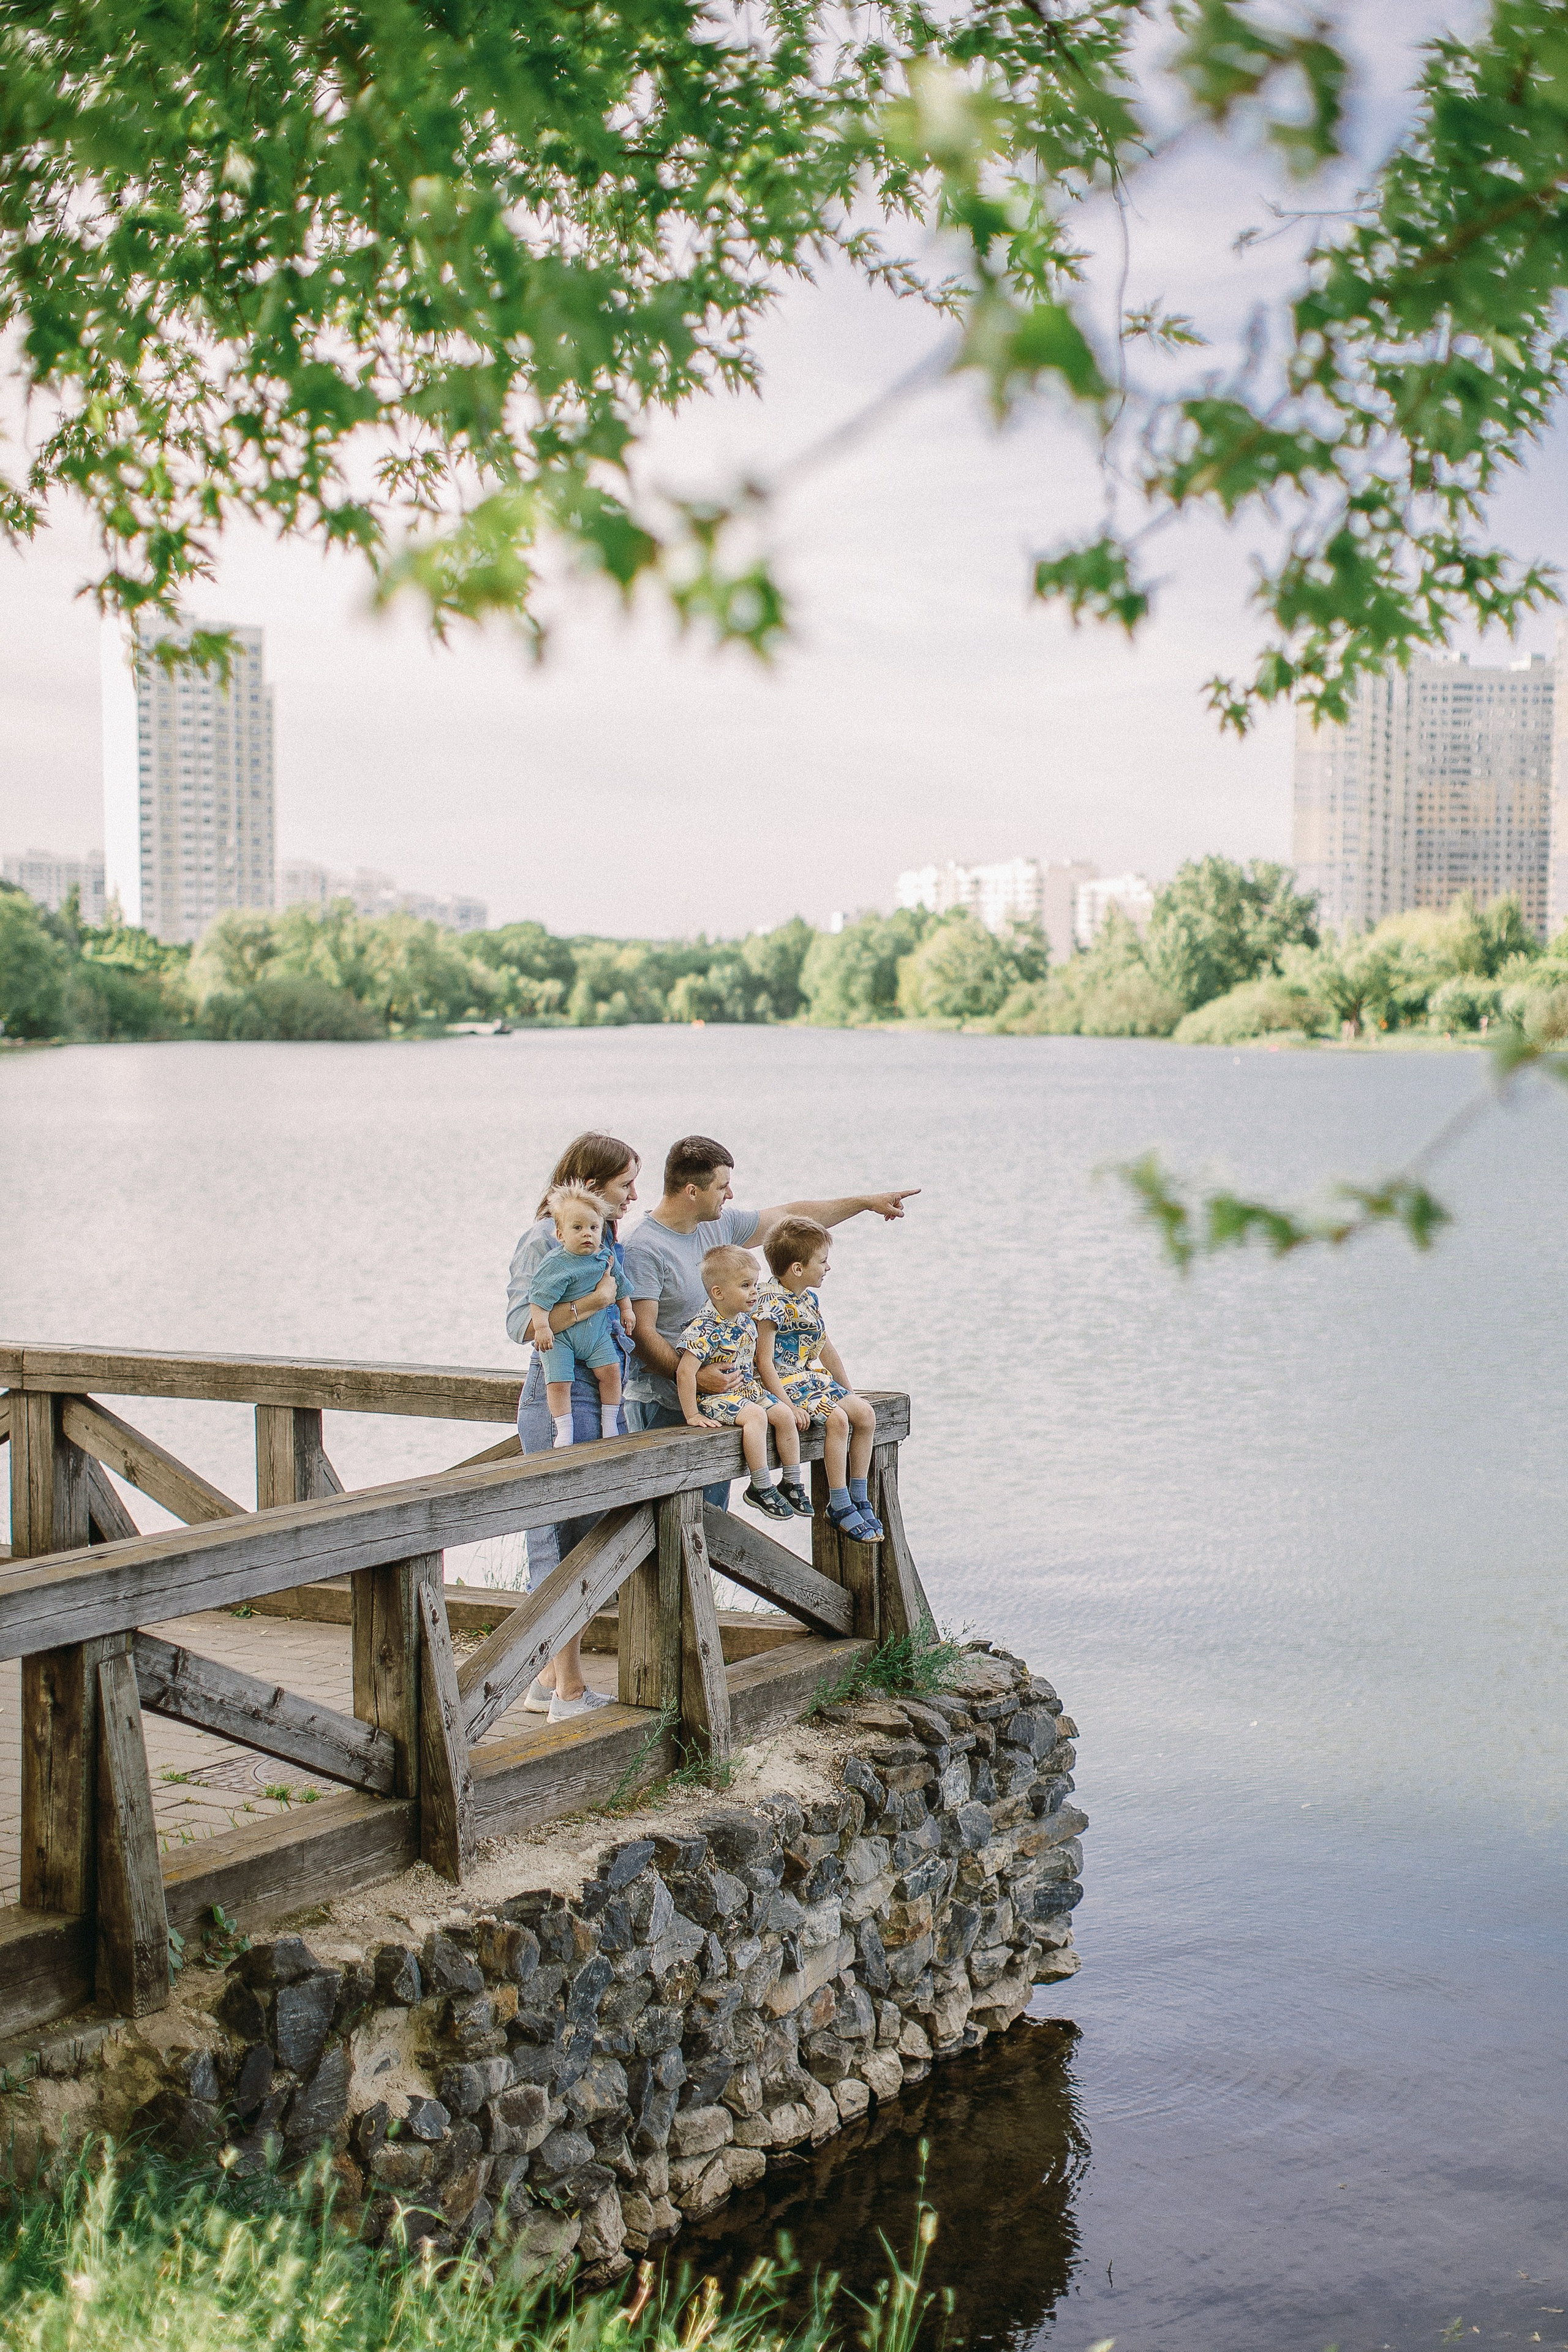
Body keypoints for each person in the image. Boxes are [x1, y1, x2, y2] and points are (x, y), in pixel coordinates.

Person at [622, 1134, 918, 1520]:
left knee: (709, 1526)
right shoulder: (643, 1247)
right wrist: (696, 1377)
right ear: (692, 1191)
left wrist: (865, 1203)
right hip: (664, 1404)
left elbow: (790, 1217)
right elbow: (640, 1334)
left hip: (727, 1400)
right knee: (664, 1530)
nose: (730, 1195)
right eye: (722, 1187)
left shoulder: (718, 1226)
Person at [505, 1133, 641, 1722]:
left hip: (599, 1397)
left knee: (583, 1538)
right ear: (589, 1184)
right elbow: (519, 1324)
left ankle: (546, 1681)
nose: (633, 1196)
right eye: (624, 1185)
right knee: (562, 1547)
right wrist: (597, 1301)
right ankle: (569, 1693)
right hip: (560, 1402)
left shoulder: (602, 1236)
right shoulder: (545, 1237)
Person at [755, 1214, 883, 1541]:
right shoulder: (769, 1302)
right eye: (822, 1261)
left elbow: (825, 1347)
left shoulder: (809, 1299)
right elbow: (764, 1361)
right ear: (798, 1268)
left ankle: (859, 1494)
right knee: (838, 1422)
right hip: (785, 1384)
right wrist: (786, 1406)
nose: (828, 1268)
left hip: (813, 1379)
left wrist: (849, 1392)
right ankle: (838, 1503)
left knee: (865, 1415)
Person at [676, 1244, 809, 1523]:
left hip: (748, 1391)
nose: (754, 1292)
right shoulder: (704, 1327)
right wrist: (692, 1414)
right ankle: (760, 1485)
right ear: (718, 1293)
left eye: (756, 1285)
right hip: (715, 1398)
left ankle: (792, 1482)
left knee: (784, 1415)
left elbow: (757, 1363)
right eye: (745, 1285)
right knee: (756, 1416)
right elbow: (686, 1372)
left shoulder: (746, 1322)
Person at [529, 1185, 634, 1447]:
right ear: (561, 1234)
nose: (587, 1234)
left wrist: (627, 1309)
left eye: (593, 1228)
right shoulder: (556, 1263)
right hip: (562, 1338)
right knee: (559, 1381)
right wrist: (542, 1327)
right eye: (578, 1228)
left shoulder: (605, 1257)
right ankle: (564, 1429)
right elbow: (539, 1299)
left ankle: (609, 1422)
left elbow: (619, 1286)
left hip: (595, 1334)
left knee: (611, 1372)